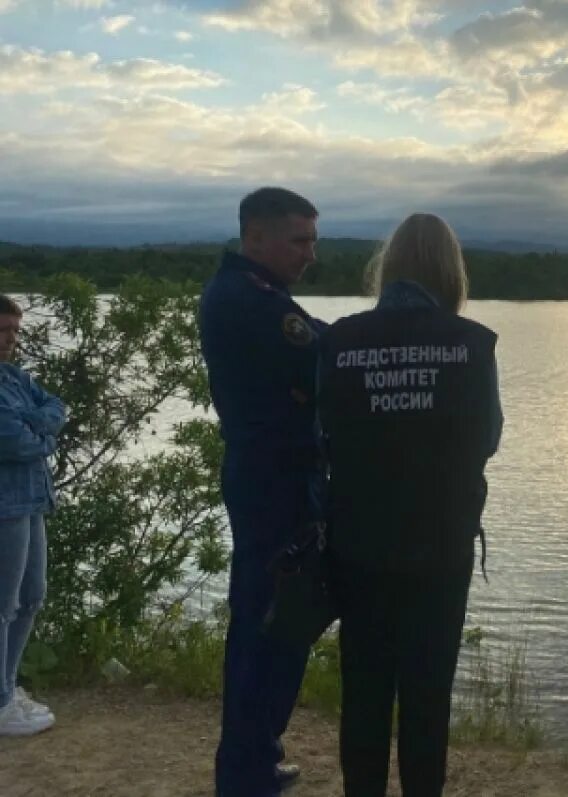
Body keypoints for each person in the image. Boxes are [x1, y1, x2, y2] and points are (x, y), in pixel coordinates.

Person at [318, 213, 502, 797]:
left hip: (357, 545)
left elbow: (322, 430)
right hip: (440, 546)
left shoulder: (340, 339)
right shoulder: (473, 344)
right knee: (428, 696)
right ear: (452, 271)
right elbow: (487, 438)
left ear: (389, 266)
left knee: (365, 691)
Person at [200, 188, 326, 795]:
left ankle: (257, 753)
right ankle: (247, 769)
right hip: (271, 482)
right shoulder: (249, 300)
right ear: (255, 237)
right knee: (268, 622)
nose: (310, 253)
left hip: (273, 476)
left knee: (279, 620)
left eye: (314, 240)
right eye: (298, 240)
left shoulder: (258, 294)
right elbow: (323, 352)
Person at [0, 295, 63, 737]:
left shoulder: (15, 378)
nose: (10, 340)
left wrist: (32, 422)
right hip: (5, 506)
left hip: (32, 498)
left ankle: (7, 684)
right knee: (2, 603)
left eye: (15, 332)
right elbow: (13, 442)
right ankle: (0, 702)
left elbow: (57, 407)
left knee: (32, 595)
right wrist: (41, 435)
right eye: (3, 330)